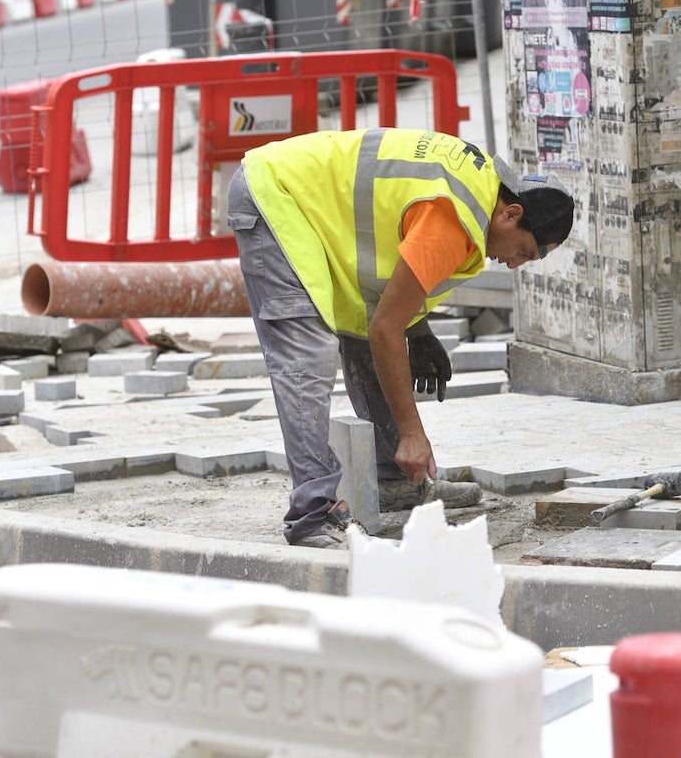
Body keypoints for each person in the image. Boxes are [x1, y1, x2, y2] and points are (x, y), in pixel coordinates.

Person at [228, 127, 575, 549]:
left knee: (363, 334)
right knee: (308, 354)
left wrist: (419, 328)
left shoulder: (479, 195)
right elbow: (385, 329)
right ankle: (312, 515)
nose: (515, 264)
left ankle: (392, 481)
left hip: (313, 208)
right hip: (275, 194)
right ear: (511, 214)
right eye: (524, 251)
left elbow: (392, 285)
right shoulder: (457, 217)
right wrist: (413, 433)